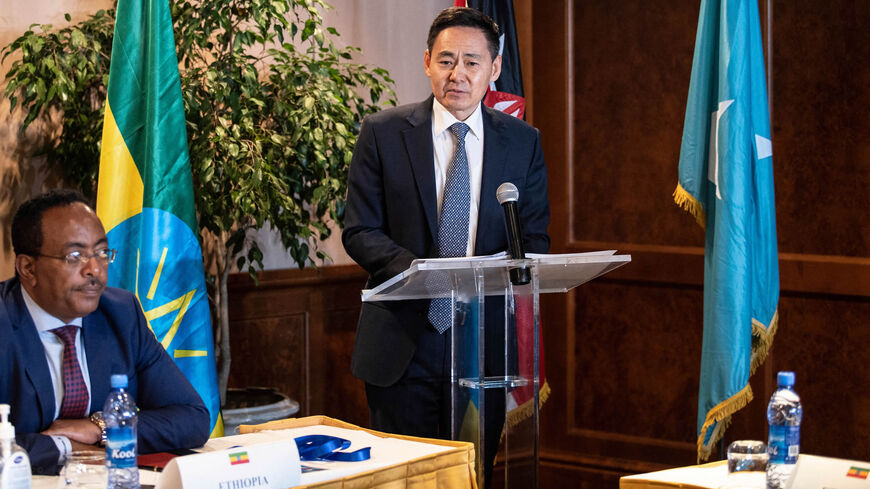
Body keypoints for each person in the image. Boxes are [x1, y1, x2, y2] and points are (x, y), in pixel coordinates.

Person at [342, 6, 550, 481]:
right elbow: (359, 231)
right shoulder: (384, 133)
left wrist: (504, 266)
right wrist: (425, 274)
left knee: (470, 477)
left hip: (484, 347)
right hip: (402, 343)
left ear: (494, 69)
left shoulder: (522, 142)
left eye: (472, 62)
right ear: (427, 62)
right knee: (405, 479)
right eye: (446, 60)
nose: (458, 74)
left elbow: (535, 237)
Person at [0, 190, 210, 474]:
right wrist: (67, 448)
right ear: (28, 268)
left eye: (101, 253)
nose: (95, 270)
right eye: (75, 256)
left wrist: (100, 429)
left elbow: (191, 418)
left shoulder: (120, 313)